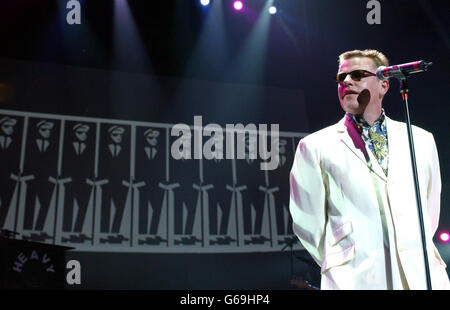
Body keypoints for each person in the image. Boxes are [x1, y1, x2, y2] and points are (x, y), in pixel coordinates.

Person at [289, 49, 450, 290]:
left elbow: (429, 211)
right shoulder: (314, 146)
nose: (346, 81)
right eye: (341, 77)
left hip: (421, 276)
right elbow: (307, 222)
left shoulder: (421, 140)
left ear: (384, 85)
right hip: (355, 279)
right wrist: (342, 259)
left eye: (358, 74)